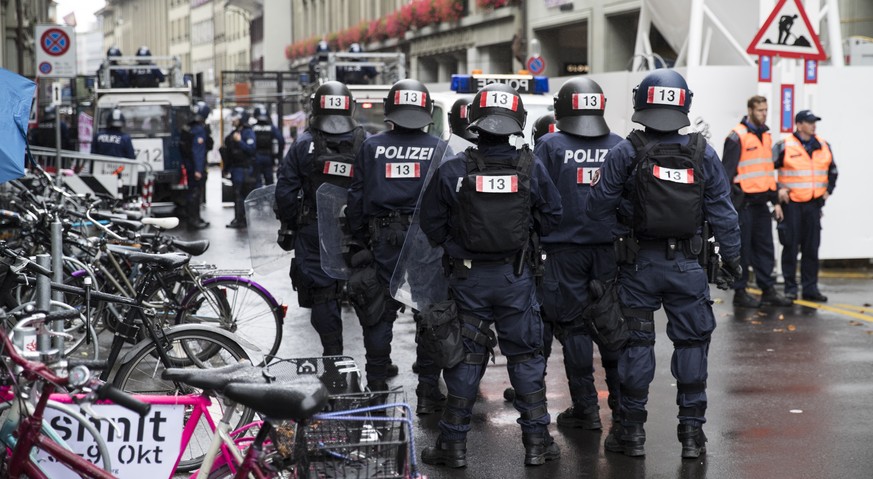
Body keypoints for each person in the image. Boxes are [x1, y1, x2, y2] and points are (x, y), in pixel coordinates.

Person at [586, 69, 741, 459]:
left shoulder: (627, 149)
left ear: (643, 102)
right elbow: (723, 212)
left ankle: (632, 434)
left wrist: (622, 230)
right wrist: (733, 258)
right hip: (688, 267)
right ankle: (692, 437)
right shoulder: (702, 151)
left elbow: (596, 208)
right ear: (684, 103)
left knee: (637, 345)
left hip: (639, 265)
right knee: (691, 344)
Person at [419, 83, 563, 468]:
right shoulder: (531, 167)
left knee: (465, 360)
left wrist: (457, 247)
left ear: (475, 125)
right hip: (516, 278)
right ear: (516, 124)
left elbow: (430, 224)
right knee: (527, 358)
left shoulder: (453, 170)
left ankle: (453, 446)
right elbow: (553, 217)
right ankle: (536, 443)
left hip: (468, 281)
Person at [346, 79, 450, 400]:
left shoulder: (372, 147)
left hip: (383, 239)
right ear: (427, 111)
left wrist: (358, 243)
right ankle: (429, 392)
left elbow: (356, 201)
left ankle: (377, 385)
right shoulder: (439, 148)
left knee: (378, 310)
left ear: (390, 110)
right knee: (429, 312)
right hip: (426, 240)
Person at [533, 78, 622, 432]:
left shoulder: (550, 145)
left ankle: (586, 408)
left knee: (573, 329)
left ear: (563, 107)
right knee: (614, 327)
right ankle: (622, 406)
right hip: (609, 251)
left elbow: (535, 196)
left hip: (562, 252)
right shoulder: (618, 145)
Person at [275, 81, 366, 357]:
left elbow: (285, 192)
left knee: (324, 295)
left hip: (315, 231)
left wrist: (290, 225)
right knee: (369, 292)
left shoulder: (304, 144)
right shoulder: (365, 142)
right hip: (357, 229)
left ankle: (333, 355)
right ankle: (378, 362)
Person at [722, 95, 792, 308]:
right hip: (744, 204)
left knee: (765, 249)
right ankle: (740, 292)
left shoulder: (766, 136)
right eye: (760, 110)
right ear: (750, 110)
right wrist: (732, 203)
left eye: (766, 109)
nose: (764, 113)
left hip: (762, 203)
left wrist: (775, 200)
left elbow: (766, 173)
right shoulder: (737, 137)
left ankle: (767, 289)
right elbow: (726, 174)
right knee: (742, 250)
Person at [774, 110, 837, 302]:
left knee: (811, 248)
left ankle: (810, 289)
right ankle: (791, 288)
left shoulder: (824, 145)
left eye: (814, 122)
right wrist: (777, 191)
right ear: (799, 125)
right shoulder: (784, 145)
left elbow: (833, 171)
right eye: (809, 122)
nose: (813, 125)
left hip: (813, 206)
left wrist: (827, 192)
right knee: (791, 247)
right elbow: (766, 171)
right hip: (791, 205)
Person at [179, 101, 212, 229]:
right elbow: (198, 151)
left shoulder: (188, 127)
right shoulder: (199, 129)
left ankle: (195, 218)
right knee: (195, 193)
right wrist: (198, 169)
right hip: (195, 166)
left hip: (189, 164)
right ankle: (194, 220)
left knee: (193, 192)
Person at [222, 107, 256, 228]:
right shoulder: (234, 132)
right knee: (237, 194)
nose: (233, 121)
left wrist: (240, 141)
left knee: (242, 194)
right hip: (236, 168)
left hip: (244, 168)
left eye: (236, 119)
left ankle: (242, 219)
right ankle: (238, 218)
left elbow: (251, 149)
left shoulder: (247, 132)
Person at [250, 105, 285, 187]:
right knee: (269, 182)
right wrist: (278, 156)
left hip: (256, 157)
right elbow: (281, 140)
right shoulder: (271, 128)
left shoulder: (253, 128)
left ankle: (257, 199)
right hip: (268, 157)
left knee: (257, 181)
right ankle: (269, 199)